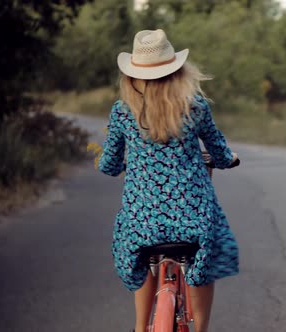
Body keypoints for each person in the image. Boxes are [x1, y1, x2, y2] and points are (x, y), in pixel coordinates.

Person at [98, 29, 240, 332]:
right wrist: (229, 160)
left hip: (142, 222)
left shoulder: (122, 112)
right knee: (207, 258)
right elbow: (220, 151)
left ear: (132, 75)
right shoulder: (195, 107)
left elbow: (109, 165)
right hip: (192, 220)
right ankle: (200, 328)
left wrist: (121, 162)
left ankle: (139, 327)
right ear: (178, 71)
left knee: (141, 257)